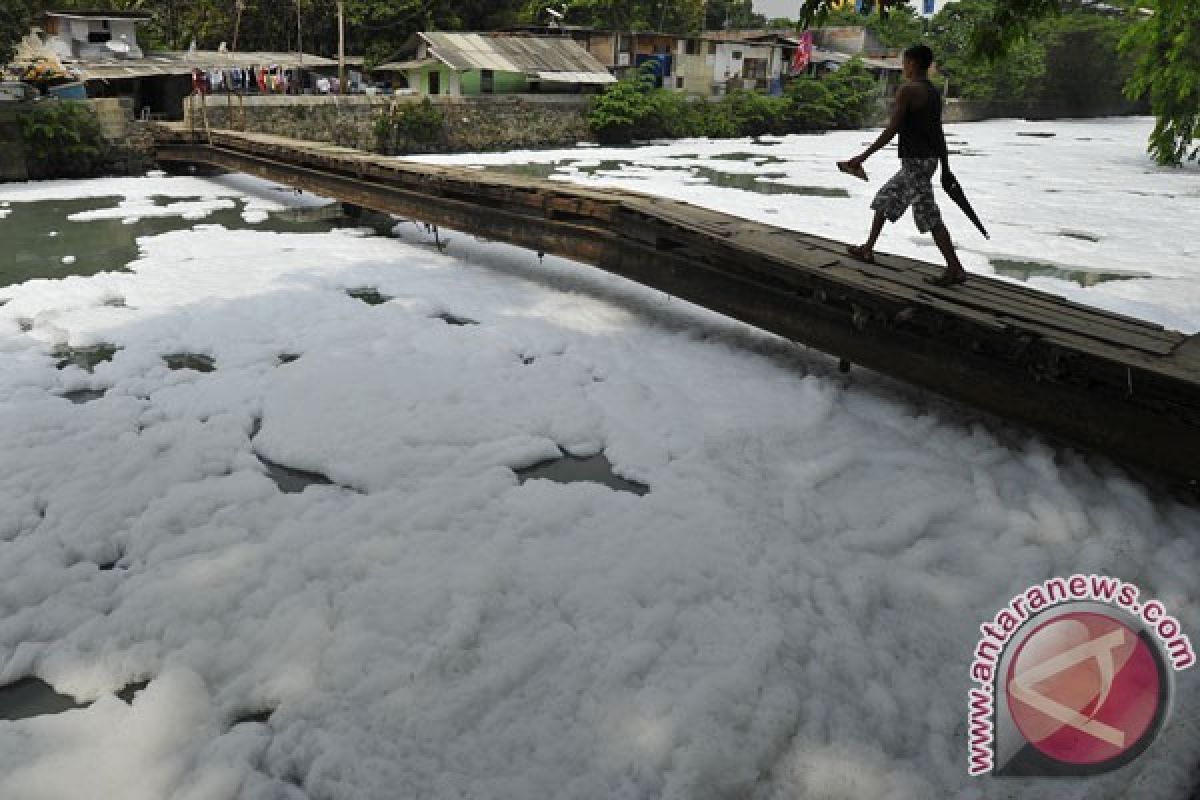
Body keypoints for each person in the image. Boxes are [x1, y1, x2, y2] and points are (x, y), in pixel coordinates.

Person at [838, 44, 968, 287]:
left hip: (916, 162)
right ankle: (867, 249)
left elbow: (892, 130)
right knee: (885, 199)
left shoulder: (909, 91)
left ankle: (955, 268)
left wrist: (862, 157)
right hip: (925, 161)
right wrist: (945, 165)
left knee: (928, 213)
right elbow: (938, 133)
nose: (903, 67)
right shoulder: (932, 93)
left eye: (905, 62)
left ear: (914, 64)